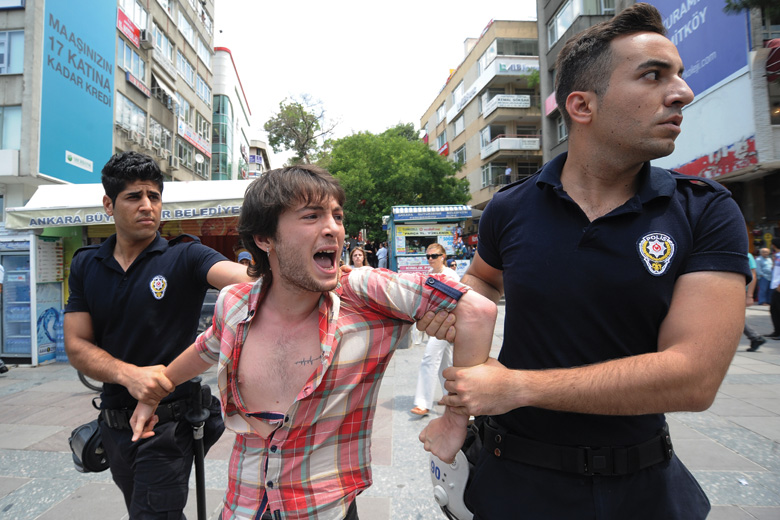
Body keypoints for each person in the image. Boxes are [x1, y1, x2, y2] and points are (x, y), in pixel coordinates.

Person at [417, 4, 749, 518]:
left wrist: (516, 387)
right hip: (514, 484)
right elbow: (482, 280)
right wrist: (458, 306)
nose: (683, 92)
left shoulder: (704, 209)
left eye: (679, 75)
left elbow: (694, 377)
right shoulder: (510, 208)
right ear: (582, 105)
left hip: (644, 488)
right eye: (654, 75)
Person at [129, 165, 497, 520]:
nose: (333, 229)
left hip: (325, 508)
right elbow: (205, 348)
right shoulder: (235, 303)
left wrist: (453, 421)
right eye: (311, 216)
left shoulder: (364, 295)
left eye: (337, 216)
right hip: (241, 504)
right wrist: (152, 394)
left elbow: (476, 311)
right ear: (265, 238)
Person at [64, 151, 253, 519]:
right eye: (134, 197)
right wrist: (128, 375)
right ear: (109, 204)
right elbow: (76, 344)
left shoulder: (185, 256)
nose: (147, 205)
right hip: (114, 425)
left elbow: (248, 281)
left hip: (170, 426)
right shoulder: (87, 264)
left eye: (154, 196)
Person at [411, 244, 460, 416]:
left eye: (434, 255)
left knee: (429, 358)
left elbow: (454, 300)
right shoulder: (430, 275)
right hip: (436, 322)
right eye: (428, 256)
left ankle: (423, 402)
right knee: (445, 362)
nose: (431, 259)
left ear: (443, 256)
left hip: (446, 322)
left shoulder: (451, 275)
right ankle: (451, 395)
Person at [745, 252, 766, 352]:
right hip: (730, 290)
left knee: (731, 317)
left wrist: (749, 295)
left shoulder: (747, 255)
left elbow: (753, 275)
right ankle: (755, 338)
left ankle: (755, 337)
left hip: (741, 291)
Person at [767, 238, 780, 340]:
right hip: (775, 286)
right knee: (774, 309)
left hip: (778, 286)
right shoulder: (776, 256)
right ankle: (776, 332)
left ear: (774, 245)